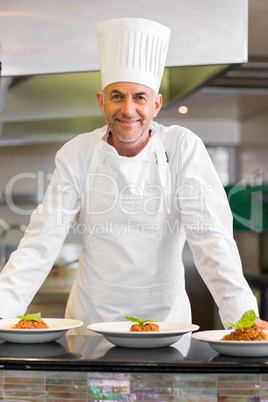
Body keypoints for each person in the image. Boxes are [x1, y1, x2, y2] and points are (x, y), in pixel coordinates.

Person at [0, 17, 267, 333]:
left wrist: (244, 321)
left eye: (139, 97)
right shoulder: (77, 153)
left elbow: (211, 238)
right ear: (102, 102)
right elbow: (41, 239)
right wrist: (4, 310)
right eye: (117, 96)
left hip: (166, 324)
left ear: (155, 103)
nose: (128, 109)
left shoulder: (182, 147)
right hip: (91, 322)